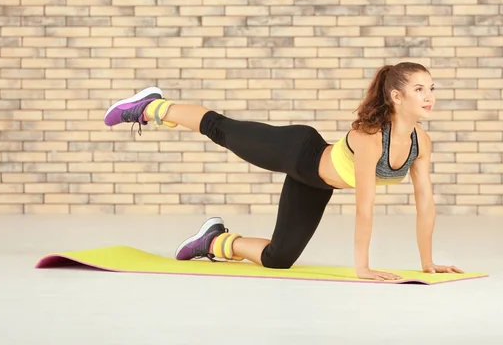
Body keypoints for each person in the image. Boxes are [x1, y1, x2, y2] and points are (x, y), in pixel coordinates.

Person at [103, 62, 464, 281]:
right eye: (419, 89)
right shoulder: (371, 137)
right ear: (397, 97)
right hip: (299, 151)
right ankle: (152, 107)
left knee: (278, 260)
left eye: (431, 88)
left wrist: (428, 262)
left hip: (316, 184)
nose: (429, 95)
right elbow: (365, 207)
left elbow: (426, 206)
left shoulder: (422, 143)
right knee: (223, 130)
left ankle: (214, 241)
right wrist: (363, 268)